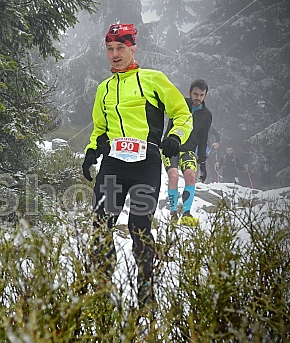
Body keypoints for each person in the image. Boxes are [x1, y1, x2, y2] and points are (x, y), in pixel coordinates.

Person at [81, 23, 192, 309]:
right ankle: (102, 286)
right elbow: (100, 128)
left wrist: (176, 137)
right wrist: (92, 150)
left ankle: (145, 290)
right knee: (99, 223)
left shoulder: (153, 79)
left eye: (120, 48)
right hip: (114, 164)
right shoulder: (104, 88)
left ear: (132, 48)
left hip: (146, 162)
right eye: (110, 49)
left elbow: (182, 113)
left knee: (139, 227)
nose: (115, 54)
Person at [162, 79, 213, 226]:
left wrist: (202, 161)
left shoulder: (207, 115)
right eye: (195, 94)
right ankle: (173, 213)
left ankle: (186, 213)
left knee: (191, 176)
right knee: (173, 176)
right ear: (190, 92)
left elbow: (204, 138)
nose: (198, 98)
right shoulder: (180, 104)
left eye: (201, 95)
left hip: (189, 149)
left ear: (205, 96)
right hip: (171, 147)